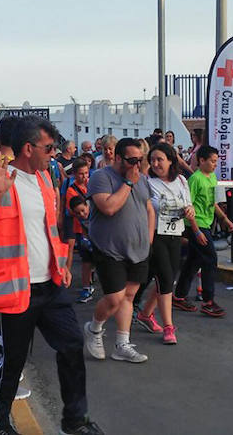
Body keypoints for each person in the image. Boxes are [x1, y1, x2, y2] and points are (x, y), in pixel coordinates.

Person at [0, 116, 102, 435]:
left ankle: (75, 420)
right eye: (49, 148)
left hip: (49, 286)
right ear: (28, 148)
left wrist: (62, 266)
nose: (54, 153)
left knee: (71, 344)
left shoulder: (43, 181)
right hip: (11, 289)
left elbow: (50, 228)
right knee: (9, 362)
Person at [84, 137, 155, 364]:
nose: (136, 165)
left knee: (129, 296)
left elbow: (148, 208)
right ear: (117, 157)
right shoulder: (101, 177)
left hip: (138, 249)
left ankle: (122, 344)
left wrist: (149, 237)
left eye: (140, 160)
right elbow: (109, 207)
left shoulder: (142, 180)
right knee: (114, 298)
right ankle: (94, 329)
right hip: (109, 248)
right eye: (131, 160)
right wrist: (128, 183)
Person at [136, 143, 197, 345]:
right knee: (165, 276)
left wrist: (190, 212)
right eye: (152, 160)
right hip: (155, 235)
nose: (155, 164)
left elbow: (189, 205)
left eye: (159, 159)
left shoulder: (181, 180)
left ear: (171, 160)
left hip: (175, 235)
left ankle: (145, 314)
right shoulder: (147, 182)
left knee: (167, 280)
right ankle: (169, 327)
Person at [172, 146, 233, 316]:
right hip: (196, 224)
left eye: (216, 161)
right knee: (210, 258)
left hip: (206, 223)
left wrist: (223, 218)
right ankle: (208, 301)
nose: (215, 164)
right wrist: (196, 231)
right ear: (201, 161)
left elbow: (212, 203)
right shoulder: (195, 179)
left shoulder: (212, 177)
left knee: (194, 260)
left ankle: (179, 296)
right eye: (212, 161)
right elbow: (188, 206)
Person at [63, 158, 94, 303]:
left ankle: (90, 283)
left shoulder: (92, 185)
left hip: (95, 227)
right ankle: (86, 287)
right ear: (75, 174)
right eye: (81, 174)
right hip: (81, 229)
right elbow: (75, 210)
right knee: (86, 260)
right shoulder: (71, 190)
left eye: (86, 173)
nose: (84, 176)